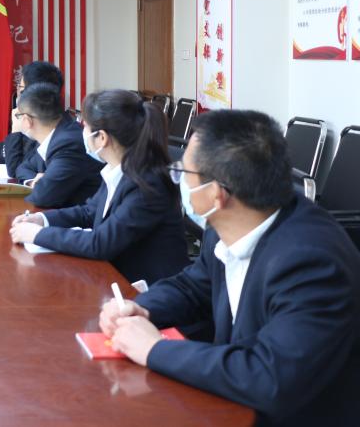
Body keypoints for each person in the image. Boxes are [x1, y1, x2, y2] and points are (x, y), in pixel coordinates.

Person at [99, 110, 360, 426]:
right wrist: (142, 308)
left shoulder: (311, 261)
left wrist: (154, 349)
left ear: (216, 194)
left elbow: (270, 376)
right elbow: (194, 286)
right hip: (233, 403)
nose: (179, 180)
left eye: (183, 172)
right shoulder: (231, 221)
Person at [10, 90, 188, 284]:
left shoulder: (147, 183)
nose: (81, 131)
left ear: (102, 138)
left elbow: (101, 243)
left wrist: (38, 235)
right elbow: (89, 212)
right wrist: (42, 219)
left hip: (147, 289)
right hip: (116, 277)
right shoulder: (117, 168)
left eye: (85, 126)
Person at [8, 82, 102, 208]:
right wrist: (34, 182)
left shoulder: (68, 144)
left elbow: (43, 196)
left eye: (18, 116)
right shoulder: (56, 135)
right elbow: (22, 168)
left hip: (81, 217)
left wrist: (42, 184)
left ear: (26, 121)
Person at [0, 61, 64, 171]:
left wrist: (15, 129)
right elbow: (20, 156)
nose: (18, 93)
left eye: (21, 88)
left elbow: (16, 167)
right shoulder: (43, 120)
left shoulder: (50, 131)